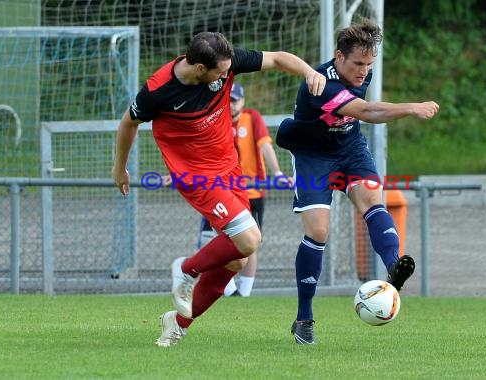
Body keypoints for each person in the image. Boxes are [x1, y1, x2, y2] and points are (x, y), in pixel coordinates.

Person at [111, 31, 326, 348]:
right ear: (199, 69)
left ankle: (179, 322)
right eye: (221, 73)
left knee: (238, 259)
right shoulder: (159, 90)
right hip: (196, 174)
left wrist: (309, 72)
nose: (227, 76)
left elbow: (279, 58)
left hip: (229, 169)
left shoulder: (227, 60)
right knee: (251, 238)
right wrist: (120, 167)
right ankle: (185, 269)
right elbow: (129, 122)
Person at [275, 19, 439, 345]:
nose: (364, 71)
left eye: (369, 64)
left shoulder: (362, 73)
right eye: (358, 64)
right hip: (313, 155)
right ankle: (304, 316)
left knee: (372, 201)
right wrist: (411, 107)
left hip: (350, 149)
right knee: (318, 230)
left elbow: (359, 113)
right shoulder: (320, 83)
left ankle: (394, 268)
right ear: (339, 57)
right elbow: (367, 112)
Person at [197, 82, 294, 297]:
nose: (231, 105)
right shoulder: (214, 120)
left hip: (251, 193)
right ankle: (228, 291)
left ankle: (245, 293)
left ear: (242, 101)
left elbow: (265, 145)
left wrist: (277, 172)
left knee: (249, 244)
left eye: (235, 100)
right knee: (213, 239)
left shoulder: (253, 118)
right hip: (219, 193)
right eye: (227, 101)